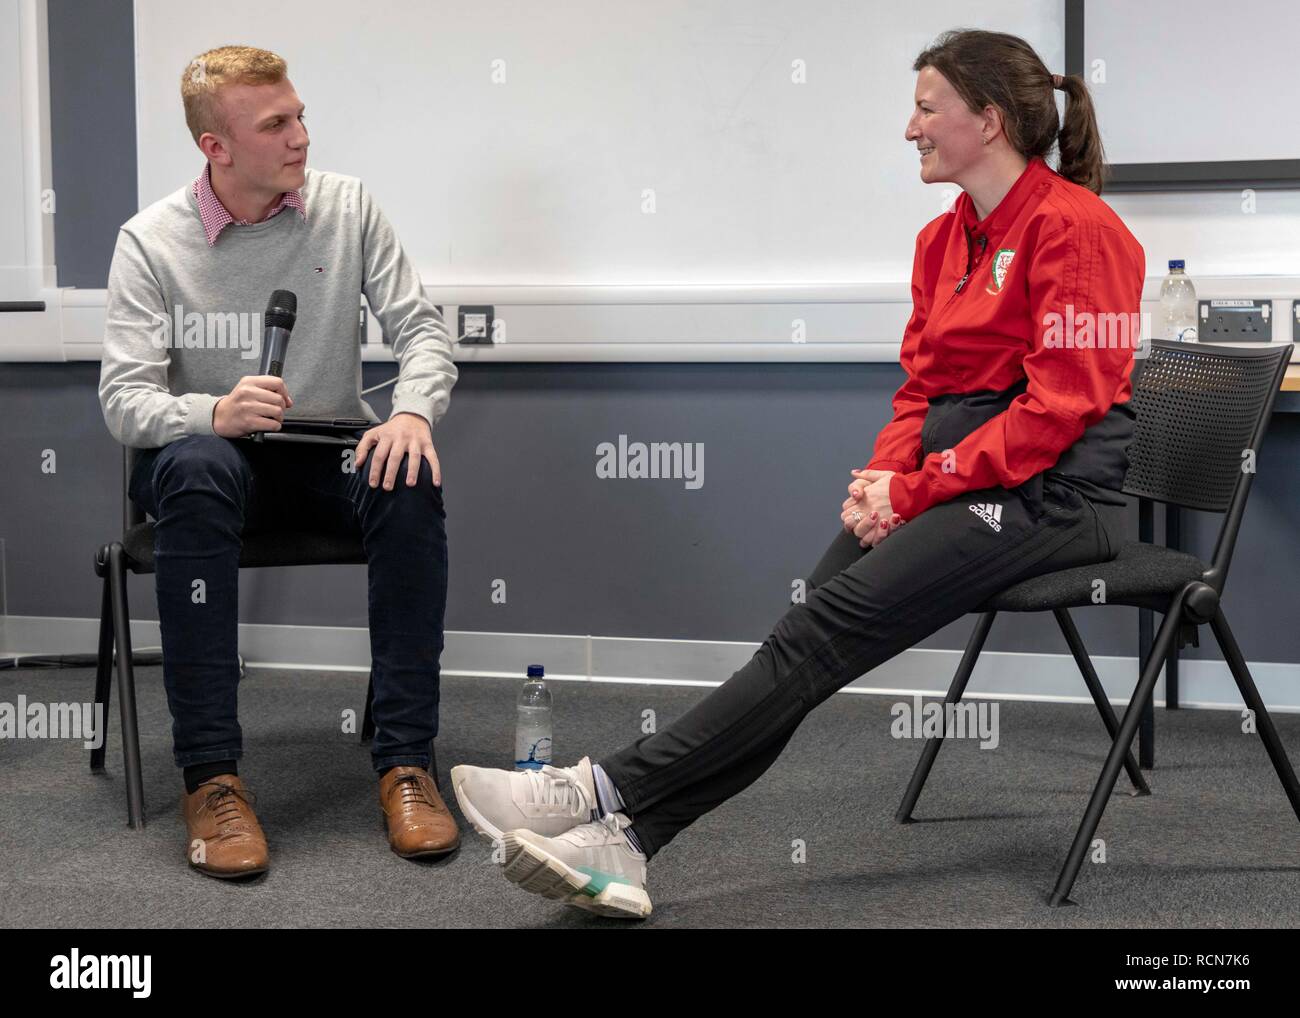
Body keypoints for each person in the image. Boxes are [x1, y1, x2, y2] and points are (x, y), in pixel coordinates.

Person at [450, 29, 1145, 918]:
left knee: (816, 635)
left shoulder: (1077, 229)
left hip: (1052, 500)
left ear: (990, 119)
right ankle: (628, 844)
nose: (910, 129)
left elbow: (1056, 414)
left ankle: (597, 792)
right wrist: (884, 486)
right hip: (961, 482)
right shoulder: (943, 241)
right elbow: (922, 389)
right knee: (806, 638)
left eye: (927, 109)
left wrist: (918, 489)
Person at [98, 46, 461, 878]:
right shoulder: (151, 242)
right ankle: (213, 780)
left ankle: (407, 763)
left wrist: (409, 412)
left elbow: (422, 334)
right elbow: (124, 399)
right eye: (276, 124)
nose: (302, 136)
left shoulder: (347, 206)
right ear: (215, 147)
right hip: (208, 464)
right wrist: (211, 412)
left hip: (322, 449)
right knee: (196, 466)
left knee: (403, 473)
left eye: (299, 115)